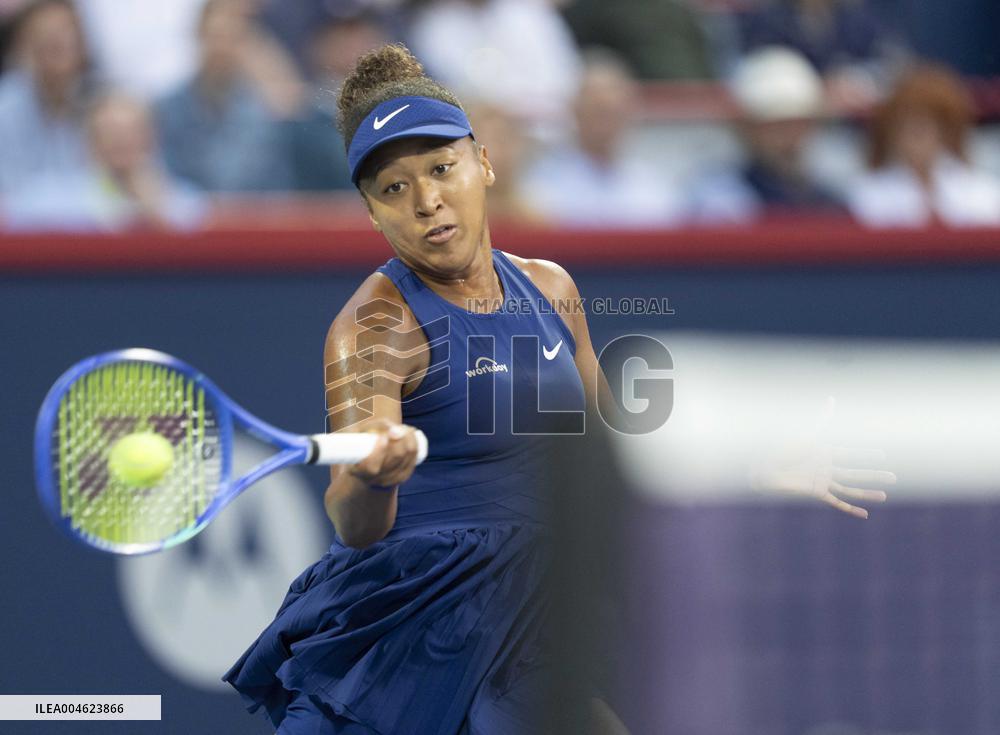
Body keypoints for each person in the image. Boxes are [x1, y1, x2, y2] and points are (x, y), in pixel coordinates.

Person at [222, 43, 888, 734]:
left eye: (442, 168)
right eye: (393, 188)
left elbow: (614, 449)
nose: (426, 201)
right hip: (403, 646)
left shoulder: (550, 287)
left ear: (483, 163)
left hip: (530, 631)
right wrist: (372, 477)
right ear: (371, 212)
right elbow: (356, 522)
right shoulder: (373, 326)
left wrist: (750, 474)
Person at [684, 45, 847, 223]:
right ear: (746, 128)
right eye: (775, 126)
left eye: (798, 124)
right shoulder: (720, 202)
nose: (789, 136)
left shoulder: (831, 198)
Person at [2, 90, 205, 230]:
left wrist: (155, 213)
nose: (122, 141)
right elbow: (15, 216)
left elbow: (197, 229)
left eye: (131, 132)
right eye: (111, 132)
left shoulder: (179, 201)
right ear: (91, 140)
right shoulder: (51, 198)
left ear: (151, 140)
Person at [847, 63, 1000, 228]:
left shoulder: (982, 191)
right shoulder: (868, 193)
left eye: (926, 127)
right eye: (907, 127)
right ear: (891, 132)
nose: (917, 138)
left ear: (947, 132)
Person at [0, 0, 92, 194]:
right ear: (23, 46)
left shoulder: (98, 101)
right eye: (45, 35)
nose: (57, 42)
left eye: (64, 32)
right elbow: (12, 191)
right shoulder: (5, 109)